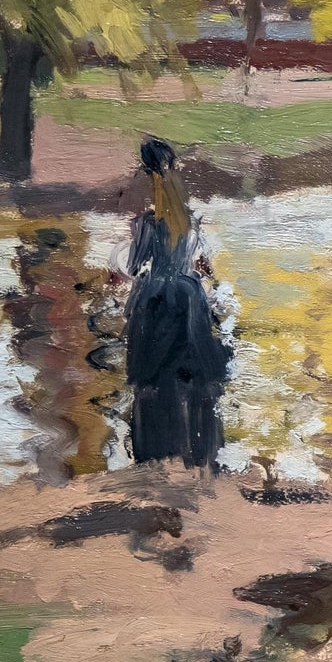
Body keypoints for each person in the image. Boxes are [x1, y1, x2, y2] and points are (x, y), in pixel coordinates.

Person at [122, 138, 229, 468]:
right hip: (189, 297)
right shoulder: (191, 220)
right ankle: (199, 451)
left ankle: (156, 451)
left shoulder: (146, 224)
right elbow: (204, 265)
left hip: (155, 297)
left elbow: (135, 266)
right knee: (195, 377)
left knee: (153, 378)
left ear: (145, 171)